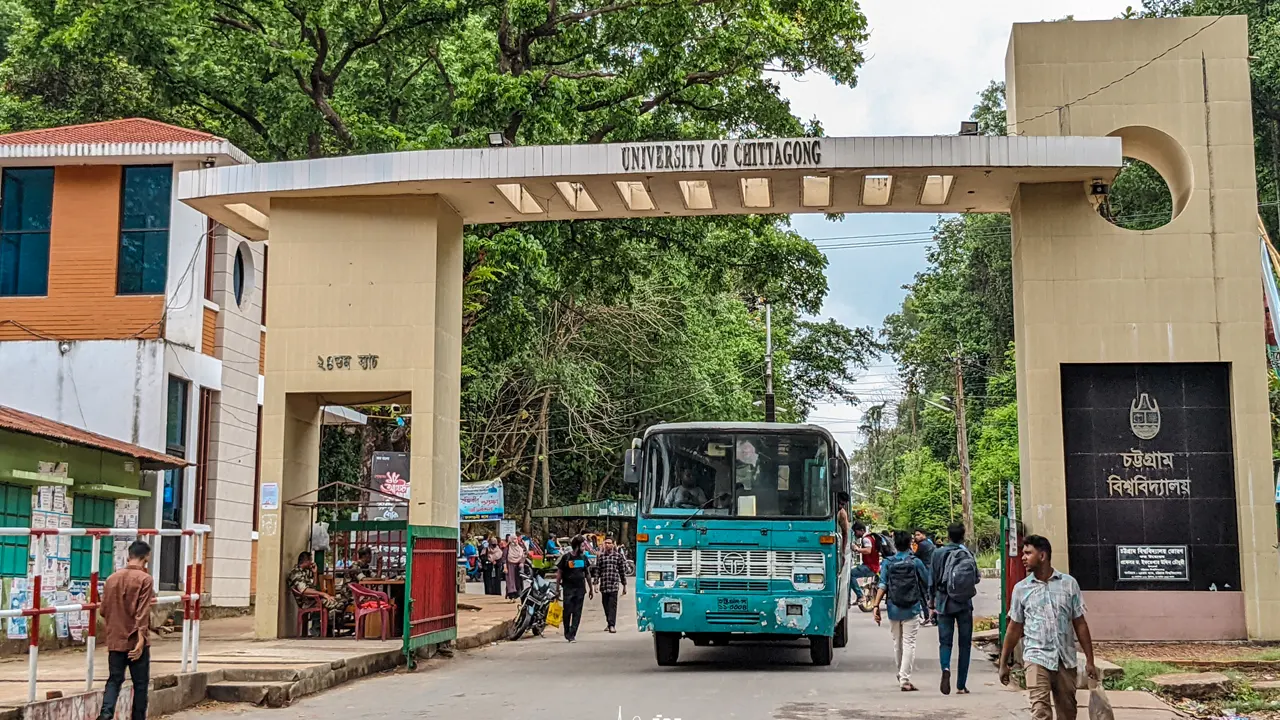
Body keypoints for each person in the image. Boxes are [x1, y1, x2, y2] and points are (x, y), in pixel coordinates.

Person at [999, 535, 1098, 720]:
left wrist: (1090, 661)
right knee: (1040, 711)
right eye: (1023, 553)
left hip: (1065, 659)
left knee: (1068, 712)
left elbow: (1080, 623)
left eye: (1028, 553)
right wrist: (1003, 663)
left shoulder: (1069, 584)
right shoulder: (1021, 589)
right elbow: (1014, 627)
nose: (1023, 557)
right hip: (1036, 656)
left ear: (1042, 556)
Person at [97, 540, 154, 720]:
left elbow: (103, 610)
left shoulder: (111, 578)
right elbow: (142, 612)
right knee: (140, 684)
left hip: (115, 639)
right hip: (136, 640)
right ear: (146, 557)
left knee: (114, 680)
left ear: (128, 556)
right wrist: (141, 639)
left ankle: (105, 714)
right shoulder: (145, 579)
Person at [872, 530, 930, 692]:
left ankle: (901, 673)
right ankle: (904, 678)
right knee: (909, 643)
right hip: (912, 607)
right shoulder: (915, 562)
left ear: (895, 545)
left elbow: (882, 585)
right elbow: (927, 581)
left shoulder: (888, 563)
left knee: (897, 643)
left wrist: (876, 606)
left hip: (893, 607)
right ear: (910, 544)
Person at [930, 523, 979, 695]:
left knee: (945, 642)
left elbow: (933, 580)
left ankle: (945, 668)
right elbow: (977, 578)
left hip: (944, 602)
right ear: (963, 536)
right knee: (964, 644)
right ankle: (961, 685)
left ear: (948, 536)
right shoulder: (967, 553)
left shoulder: (937, 553)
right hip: (964, 603)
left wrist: (931, 604)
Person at [288, 551, 343, 633]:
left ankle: (323, 628)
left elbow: (313, 587)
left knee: (340, 602)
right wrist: (324, 594)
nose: (312, 563)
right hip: (307, 602)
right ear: (306, 561)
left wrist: (315, 574)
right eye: (310, 560)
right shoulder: (296, 573)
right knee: (337, 604)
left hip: (313, 599)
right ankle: (322, 629)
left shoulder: (304, 572)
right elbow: (304, 590)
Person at [555, 534, 594, 642]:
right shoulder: (566, 557)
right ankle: (567, 631)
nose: (584, 548)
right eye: (582, 546)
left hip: (580, 590)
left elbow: (587, 574)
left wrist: (590, 588)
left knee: (577, 612)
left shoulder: (584, 558)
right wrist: (557, 589)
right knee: (567, 611)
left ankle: (572, 634)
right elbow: (559, 574)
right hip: (568, 589)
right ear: (577, 546)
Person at [592, 536, 628, 633]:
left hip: (614, 585)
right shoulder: (601, 557)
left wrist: (624, 585)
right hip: (604, 585)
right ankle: (609, 622)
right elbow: (597, 571)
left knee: (612, 606)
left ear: (613, 544)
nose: (607, 545)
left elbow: (622, 572)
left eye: (609, 543)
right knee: (605, 605)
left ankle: (612, 625)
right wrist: (595, 584)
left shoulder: (618, 557)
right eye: (606, 543)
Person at [849, 522, 881, 605]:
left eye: (856, 532)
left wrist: (857, 549)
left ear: (861, 530)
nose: (855, 534)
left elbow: (868, 550)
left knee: (851, 574)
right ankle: (858, 597)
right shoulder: (871, 537)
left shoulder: (866, 539)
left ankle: (860, 596)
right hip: (872, 566)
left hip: (870, 567)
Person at [913, 528, 937, 626]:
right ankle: (934, 617)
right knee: (931, 595)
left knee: (923, 595)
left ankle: (928, 617)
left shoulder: (922, 545)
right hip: (932, 572)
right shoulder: (930, 543)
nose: (916, 537)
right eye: (915, 535)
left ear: (923, 535)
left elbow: (915, 556)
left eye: (918, 535)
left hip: (924, 572)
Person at [505, 533, 527, 600]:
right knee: (511, 581)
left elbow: (523, 556)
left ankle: (518, 595)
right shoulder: (507, 548)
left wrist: (521, 562)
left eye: (516, 538)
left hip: (518, 567)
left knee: (518, 581)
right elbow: (504, 558)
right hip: (510, 566)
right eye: (513, 539)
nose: (515, 540)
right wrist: (505, 567)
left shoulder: (520, 547)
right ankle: (511, 596)